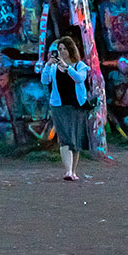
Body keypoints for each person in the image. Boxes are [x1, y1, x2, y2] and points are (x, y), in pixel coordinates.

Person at [39, 37, 94, 181]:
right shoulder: (52, 67)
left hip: (76, 105)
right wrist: (47, 65)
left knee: (75, 138)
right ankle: (68, 171)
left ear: (71, 49)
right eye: (60, 49)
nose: (62, 52)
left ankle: (73, 171)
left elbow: (79, 78)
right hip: (58, 105)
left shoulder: (79, 65)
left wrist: (66, 67)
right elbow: (45, 81)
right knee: (64, 138)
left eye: (64, 49)